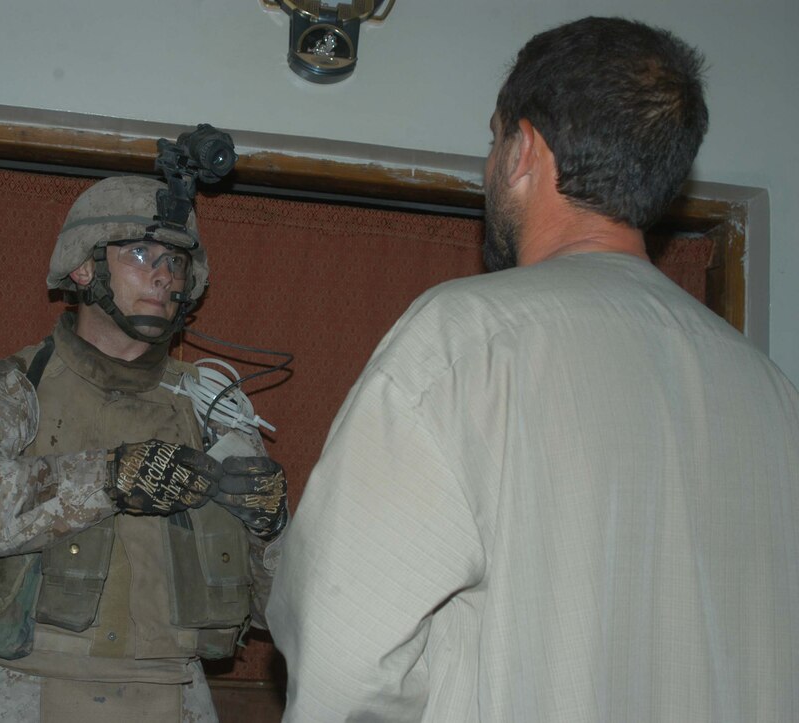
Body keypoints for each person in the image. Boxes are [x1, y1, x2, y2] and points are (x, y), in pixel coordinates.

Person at [266, 16, 799, 722]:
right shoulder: (771, 392)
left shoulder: (462, 344)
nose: (490, 163)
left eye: (494, 138)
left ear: (522, 151)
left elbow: (344, 657)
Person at [0, 174, 288, 722]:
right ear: (84, 268)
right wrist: (106, 479)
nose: (163, 275)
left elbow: (284, 615)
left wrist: (273, 535)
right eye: (141, 254)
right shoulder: (14, 388)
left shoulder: (214, 412)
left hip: (174, 697)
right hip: (18, 692)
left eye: (175, 263)